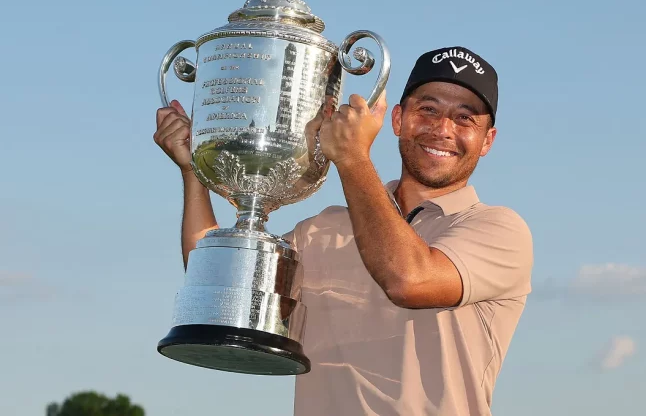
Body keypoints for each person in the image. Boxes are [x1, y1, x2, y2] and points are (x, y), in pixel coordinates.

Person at [154, 46, 533, 416]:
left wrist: (352, 158)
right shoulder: (324, 229)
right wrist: (193, 173)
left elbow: (408, 280)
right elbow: (221, 286)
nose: (442, 129)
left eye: (465, 118)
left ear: (487, 141)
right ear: (398, 120)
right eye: (428, 109)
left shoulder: (497, 229)